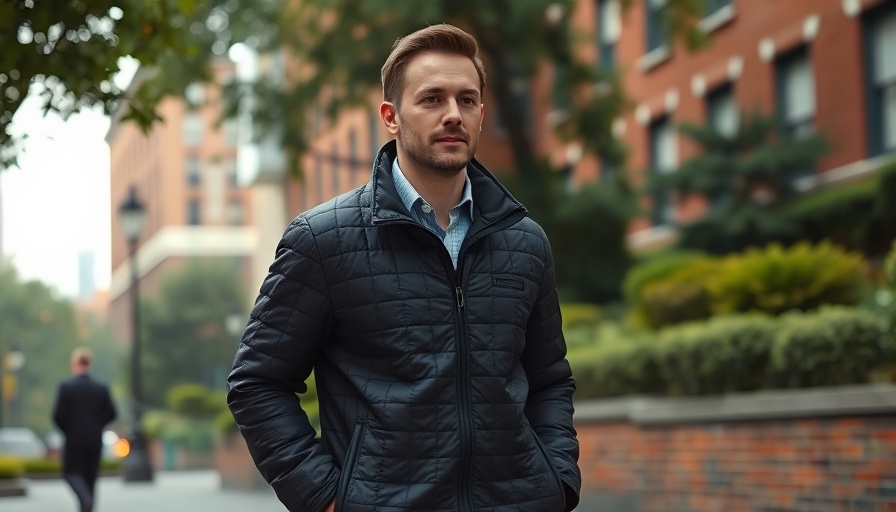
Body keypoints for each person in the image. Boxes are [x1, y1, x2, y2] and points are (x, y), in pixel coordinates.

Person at [227, 23, 580, 512]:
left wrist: (557, 480)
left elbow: (549, 379)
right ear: (391, 117)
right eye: (432, 99)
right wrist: (327, 499)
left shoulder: (524, 241)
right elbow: (257, 383)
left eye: (468, 100)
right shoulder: (322, 240)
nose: (453, 114)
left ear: (481, 112)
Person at [52, 347, 117, 512]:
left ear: (75, 364)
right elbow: (112, 413)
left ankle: (84, 498)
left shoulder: (66, 387)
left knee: (71, 473)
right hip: (94, 439)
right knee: (90, 478)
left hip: (74, 440)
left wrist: (68, 429)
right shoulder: (101, 387)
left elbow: (58, 415)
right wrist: (98, 425)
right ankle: (88, 504)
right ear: (89, 364)